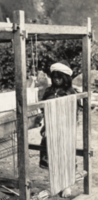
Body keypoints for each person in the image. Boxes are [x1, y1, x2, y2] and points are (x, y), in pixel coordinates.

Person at [39, 60, 79, 198]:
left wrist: (68, 126)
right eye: (54, 77)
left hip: (65, 129)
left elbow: (74, 112)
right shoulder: (48, 91)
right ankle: (55, 184)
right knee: (52, 157)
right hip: (50, 129)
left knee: (65, 156)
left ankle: (66, 185)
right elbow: (42, 108)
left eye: (59, 77)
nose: (56, 80)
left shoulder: (70, 92)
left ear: (65, 78)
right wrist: (45, 125)